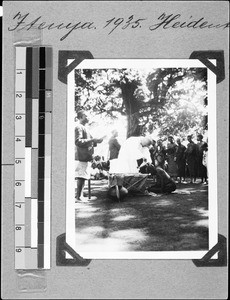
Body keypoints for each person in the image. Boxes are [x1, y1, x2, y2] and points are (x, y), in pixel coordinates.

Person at [75, 110, 104, 202]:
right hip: (82, 156)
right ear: (80, 117)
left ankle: (80, 196)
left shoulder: (85, 128)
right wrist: (92, 140)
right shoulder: (79, 127)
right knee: (81, 176)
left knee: (84, 176)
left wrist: (97, 141)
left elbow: (90, 141)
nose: (88, 118)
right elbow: (78, 141)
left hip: (86, 156)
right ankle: (78, 197)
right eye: (85, 116)